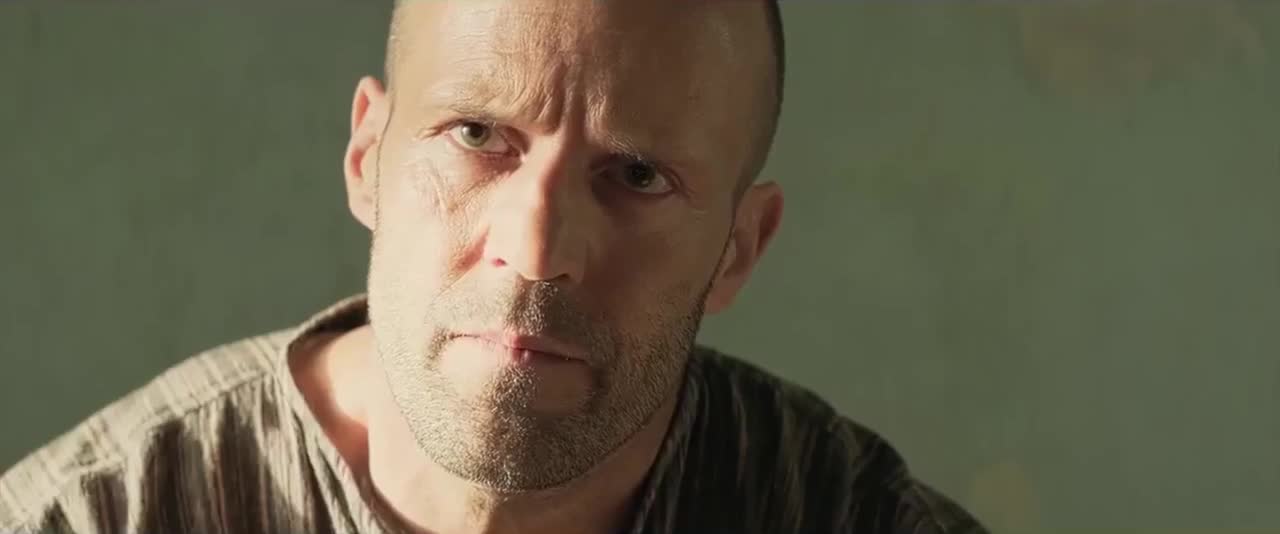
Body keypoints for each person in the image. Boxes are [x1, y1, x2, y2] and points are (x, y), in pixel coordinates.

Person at [0, 1, 988, 533]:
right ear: (366, 157)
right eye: (477, 134)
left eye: (636, 176)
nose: (538, 250)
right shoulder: (92, 519)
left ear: (738, 248)